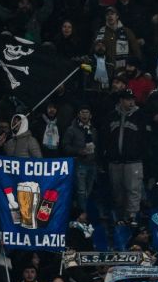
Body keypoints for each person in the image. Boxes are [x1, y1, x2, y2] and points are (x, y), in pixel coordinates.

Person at [103, 89, 148, 225]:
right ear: (121, 100)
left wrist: (140, 154)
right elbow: (105, 137)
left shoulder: (140, 116)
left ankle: (132, 216)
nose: (131, 102)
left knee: (133, 189)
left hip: (133, 161)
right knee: (118, 190)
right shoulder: (111, 116)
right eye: (128, 99)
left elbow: (145, 139)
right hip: (115, 161)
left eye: (132, 99)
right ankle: (121, 216)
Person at [63, 105, 99, 211]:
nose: (84, 115)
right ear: (78, 115)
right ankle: (82, 214)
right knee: (81, 191)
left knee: (88, 191)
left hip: (92, 164)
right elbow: (65, 147)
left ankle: (83, 212)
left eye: (86, 112)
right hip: (79, 163)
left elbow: (98, 146)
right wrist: (79, 151)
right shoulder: (71, 129)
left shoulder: (94, 130)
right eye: (82, 112)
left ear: (90, 115)